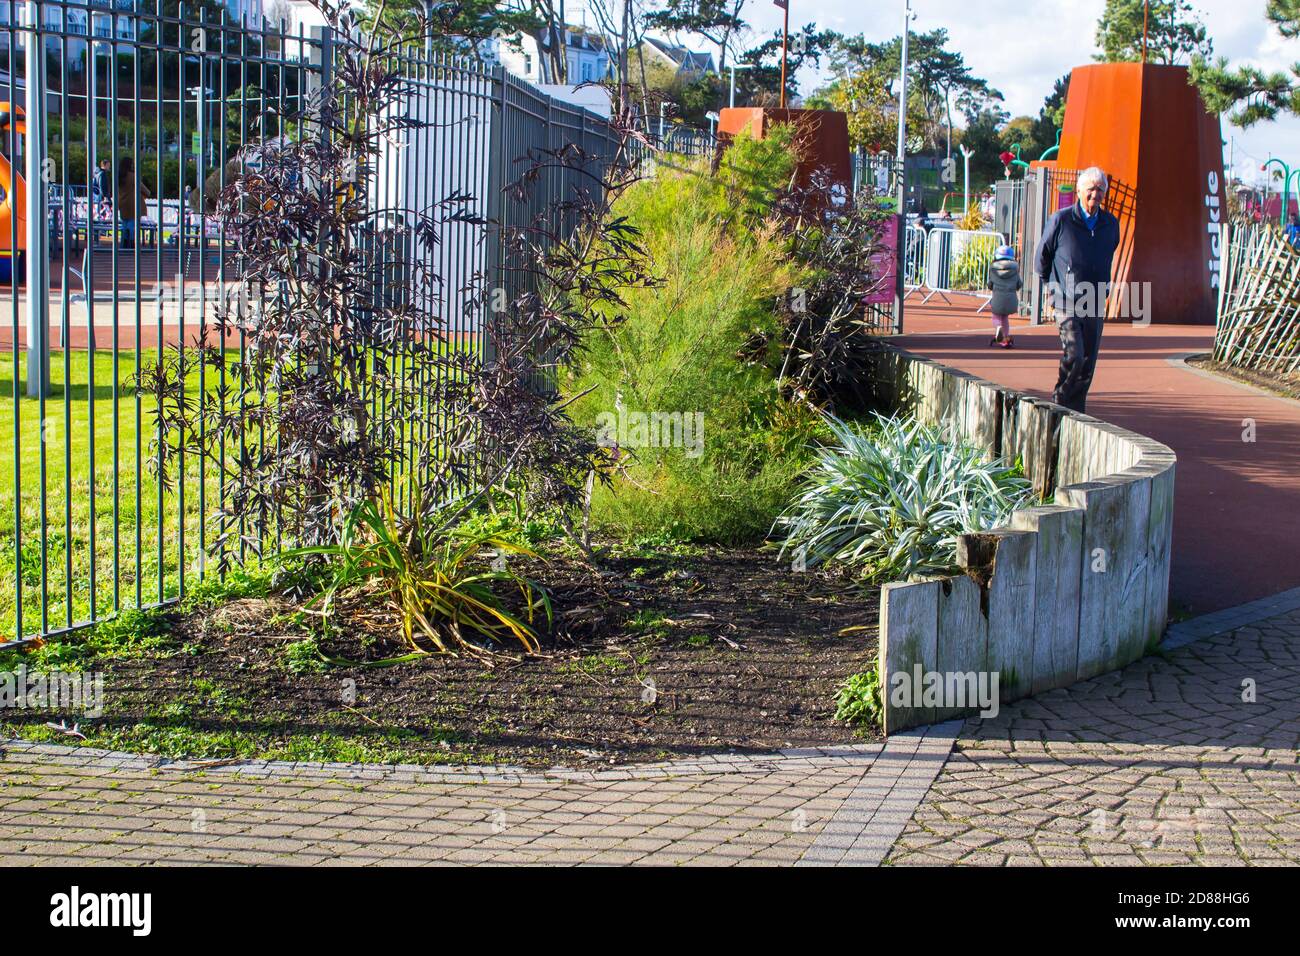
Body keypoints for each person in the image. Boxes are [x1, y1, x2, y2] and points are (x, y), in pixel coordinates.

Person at [1034, 166, 1121, 413]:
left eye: (1100, 189)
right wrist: (1050, 288)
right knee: (1075, 353)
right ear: (1079, 191)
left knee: (1088, 361)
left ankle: (1077, 409)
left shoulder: (1110, 224)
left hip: (1094, 301)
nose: (1096, 194)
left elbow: (1110, 251)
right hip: (1065, 299)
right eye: (1091, 189)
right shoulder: (1061, 219)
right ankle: (1060, 402)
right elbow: (1042, 257)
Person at [987, 244, 1021, 348]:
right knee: (1005, 317)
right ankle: (1005, 337)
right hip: (1011, 299)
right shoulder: (1015, 269)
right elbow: (1019, 284)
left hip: (998, 298)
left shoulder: (993, 269)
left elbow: (990, 284)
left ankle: (998, 329)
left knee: (996, 316)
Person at [116, 157, 150, 249]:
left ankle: (124, 243)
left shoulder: (119, 176)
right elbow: (144, 190)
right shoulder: (133, 176)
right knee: (132, 225)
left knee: (125, 224)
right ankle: (131, 244)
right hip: (133, 204)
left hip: (122, 203)